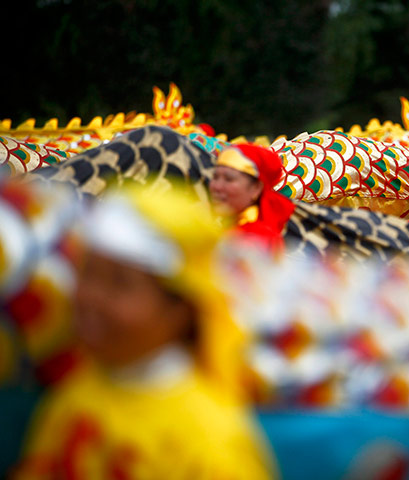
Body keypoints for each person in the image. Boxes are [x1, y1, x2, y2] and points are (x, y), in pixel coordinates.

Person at [12, 185, 276, 479]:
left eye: (119, 283)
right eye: (88, 272)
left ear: (180, 311)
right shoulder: (79, 386)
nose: (90, 296)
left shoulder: (210, 437)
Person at [209, 144, 295, 255]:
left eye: (229, 179)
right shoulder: (231, 228)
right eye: (215, 177)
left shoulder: (254, 240)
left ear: (256, 188)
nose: (217, 186)